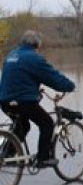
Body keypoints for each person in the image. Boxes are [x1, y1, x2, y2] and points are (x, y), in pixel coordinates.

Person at [0, 30, 75, 167]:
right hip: (23, 101)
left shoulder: (11, 55)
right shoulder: (34, 58)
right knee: (47, 124)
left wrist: (33, 88)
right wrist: (69, 86)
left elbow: (15, 78)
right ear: (37, 44)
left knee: (23, 126)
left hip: (5, 101)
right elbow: (52, 77)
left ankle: (6, 155)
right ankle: (43, 158)